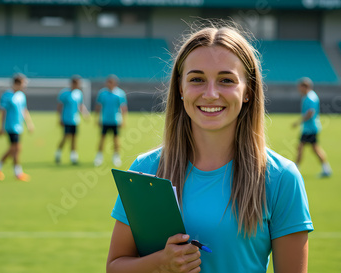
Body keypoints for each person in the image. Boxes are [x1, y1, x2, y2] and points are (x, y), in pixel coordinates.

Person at [107, 23, 313, 273]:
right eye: (197, 79)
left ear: (247, 91)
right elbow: (115, 266)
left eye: (226, 80)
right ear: (181, 88)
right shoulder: (146, 168)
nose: (211, 93)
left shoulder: (281, 178)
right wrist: (161, 263)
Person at [0, 74, 34, 182]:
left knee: (15, 149)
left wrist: (29, 123)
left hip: (18, 126)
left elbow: (24, 110)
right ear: (17, 83)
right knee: (15, 148)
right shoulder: (7, 95)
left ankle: (4, 169)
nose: (24, 86)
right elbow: (3, 112)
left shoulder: (21, 96)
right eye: (23, 84)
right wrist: (1, 126)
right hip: (10, 126)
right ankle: (11, 171)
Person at [293, 77, 332, 177]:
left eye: (300, 87)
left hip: (309, 128)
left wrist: (298, 122)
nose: (299, 89)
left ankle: (296, 169)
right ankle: (326, 169)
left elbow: (310, 113)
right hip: (310, 128)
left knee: (301, 147)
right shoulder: (309, 96)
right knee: (314, 148)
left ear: (305, 87)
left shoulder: (310, 97)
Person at [94, 75, 128, 167]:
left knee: (116, 139)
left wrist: (123, 120)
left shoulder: (120, 93)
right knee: (102, 139)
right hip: (105, 120)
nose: (109, 84)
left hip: (115, 120)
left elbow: (123, 108)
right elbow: (98, 106)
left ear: (115, 83)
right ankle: (99, 157)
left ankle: (116, 157)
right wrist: (97, 118)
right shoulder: (102, 93)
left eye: (111, 82)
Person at [55, 76, 89, 165]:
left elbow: (80, 105)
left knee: (74, 138)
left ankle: (73, 157)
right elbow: (60, 107)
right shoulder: (64, 93)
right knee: (66, 137)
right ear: (73, 83)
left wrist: (85, 114)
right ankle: (58, 153)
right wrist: (60, 118)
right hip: (66, 119)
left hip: (75, 120)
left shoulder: (79, 93)